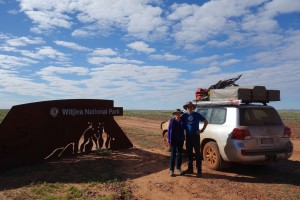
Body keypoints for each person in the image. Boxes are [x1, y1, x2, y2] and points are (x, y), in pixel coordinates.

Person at [181, 101, 208, 177]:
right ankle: (190, 169)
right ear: (186, 108)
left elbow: (206, 121)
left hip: (196, 136)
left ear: (193, 107)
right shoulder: (184, 115)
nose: (189, 108)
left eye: (191, 106)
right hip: (188, 137)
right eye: (188, 107)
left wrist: (201, 130)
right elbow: (180, 122)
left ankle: (199, 171)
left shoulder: (197, 115)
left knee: (197, 154)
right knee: (189, 153)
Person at [167, 108, 185, 177]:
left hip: (180, 140)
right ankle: (171, 170)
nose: (178, 114)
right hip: (173, 140)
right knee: (173, 155)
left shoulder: (182, 120)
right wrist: (169, 141)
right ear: (175, 114)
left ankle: (178, 168)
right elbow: (169, 131)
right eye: (176, 113)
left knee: (180, 155)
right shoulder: (172, 120)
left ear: (180, 114)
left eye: (179, 113)